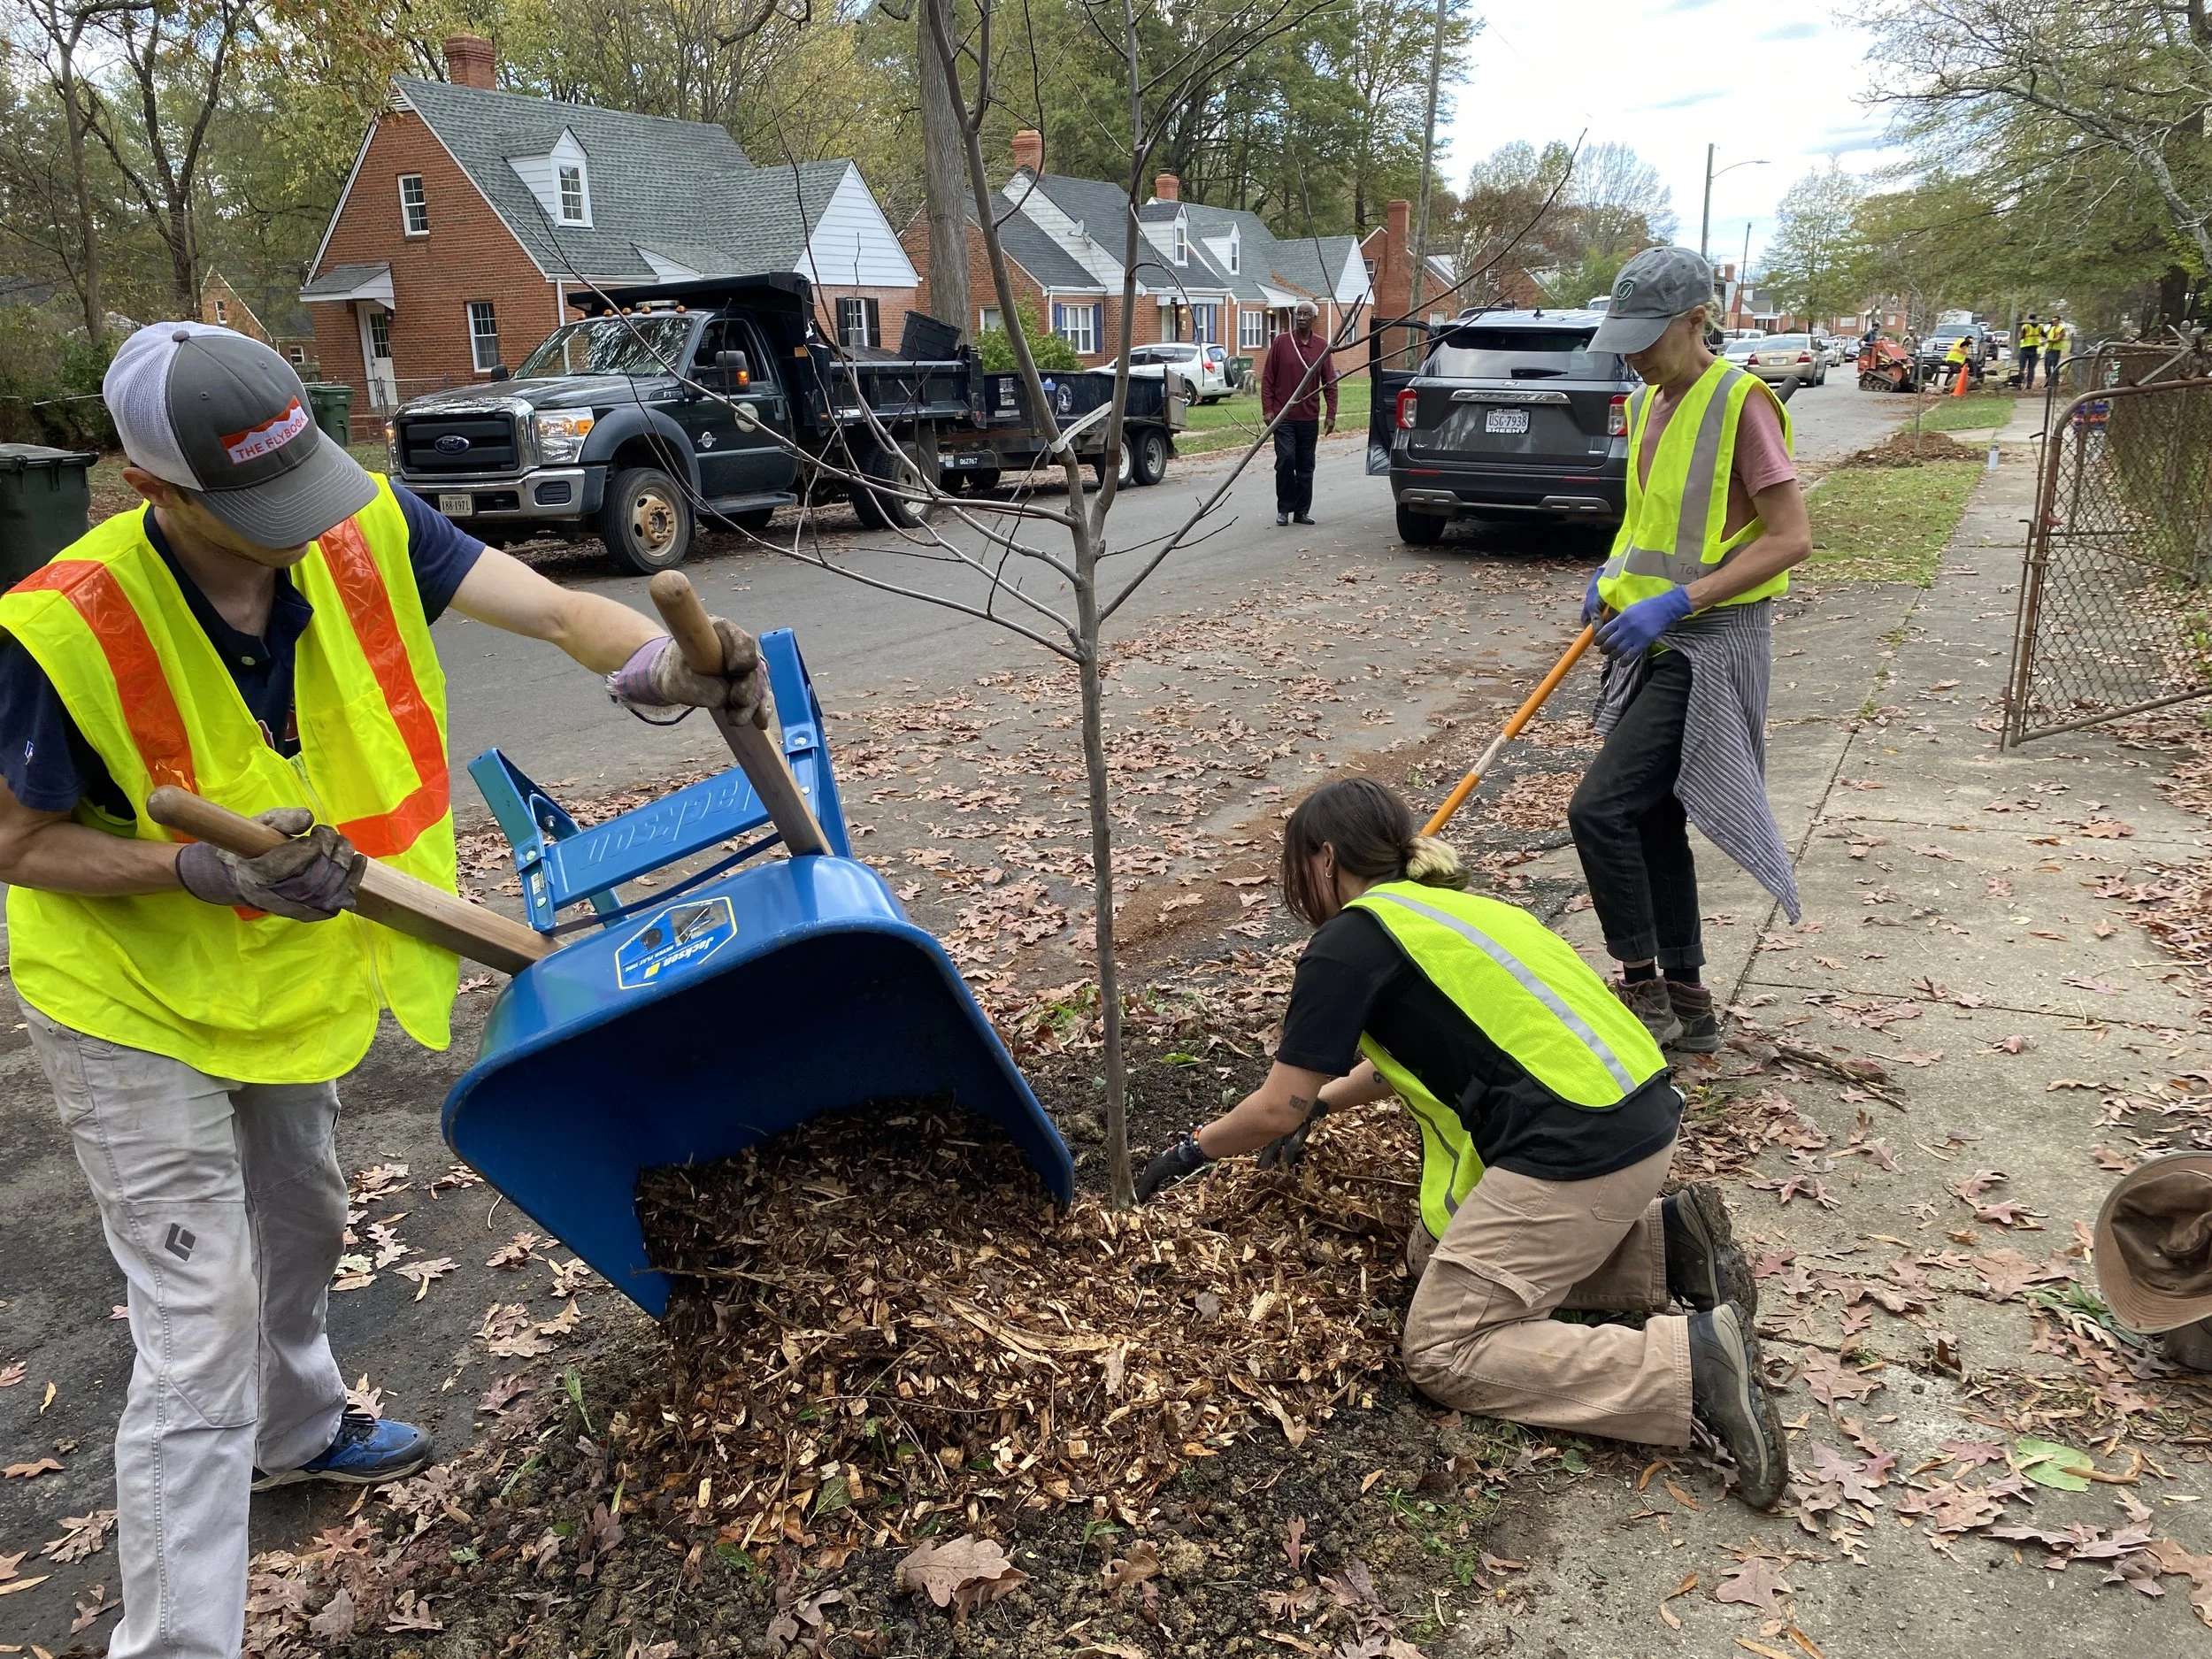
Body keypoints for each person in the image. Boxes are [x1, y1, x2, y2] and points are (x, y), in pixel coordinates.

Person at [0, 321, 767, 1659]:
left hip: (279, 976)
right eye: (257, 511)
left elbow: (553, 605)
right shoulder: (63, 628)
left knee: (303, 1214)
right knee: (199, 1316)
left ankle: (295, 1430)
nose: (305, 529)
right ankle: (174, 1642)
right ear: (151, 489)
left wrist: (658, 665)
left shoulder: (351, 521)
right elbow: (15, 841)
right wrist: (193, 868)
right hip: (125, 993)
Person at [1133, 778, 1787, 1508]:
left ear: (1322, 860)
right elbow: (1385, 1068)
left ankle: (1690, 1370)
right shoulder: (1453, 908)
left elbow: (1276, 1106)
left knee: (1445, 1349)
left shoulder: (1348, 942)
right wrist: (1322, 1104)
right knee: (1430, 1255)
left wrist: (1191, 1150)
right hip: (1637, 1122)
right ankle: (1672, 1246)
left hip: (1577, 1154)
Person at [1567, 247, 1810, 1051]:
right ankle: (1689, 1001)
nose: (1633, 352)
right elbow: (1650, 522)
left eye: (1647, 335)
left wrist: (1681, 599)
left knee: (1599, 810)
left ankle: (1641, 991)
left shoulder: (1741, 402)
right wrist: (1614, 574)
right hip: (1652, 636)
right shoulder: (1645, 405)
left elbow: (1790, 539)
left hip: (1712, 643)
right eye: (1624, 335)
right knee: (1652, 817)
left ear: (1696, 319)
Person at [1259, 300, 1338, 527]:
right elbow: (1268, 378)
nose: (1301, 318)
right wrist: (1268, 409)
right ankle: (1284, 508)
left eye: (1306, 314)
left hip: (1309, 417)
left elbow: (1330, 382)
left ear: (1314, 318)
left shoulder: (1322, 346)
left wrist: (1331, 414)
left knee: (1305, 466)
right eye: (1298, 314)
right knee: (1285, 460)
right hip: (1283, 416)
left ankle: (1301, 511)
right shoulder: (1282, 342)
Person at [2016, 314, 2043, 391]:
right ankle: (2029, 384)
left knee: (2022, 367)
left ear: (2028, 318)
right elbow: (2044, 334)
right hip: (2034, 349)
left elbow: (2021, 337)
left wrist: (2019, 330)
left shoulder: (2026, 326)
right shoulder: (2039, 326)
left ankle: (2020, 383)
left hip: (2025, 348)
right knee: (2031, 368)